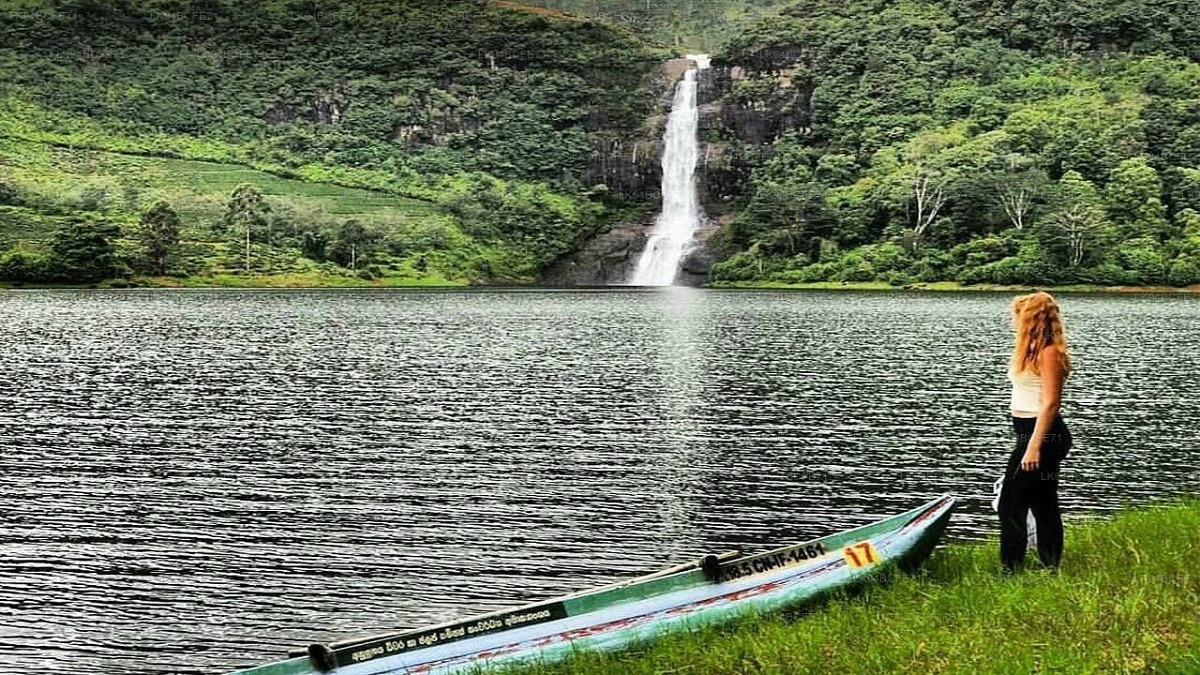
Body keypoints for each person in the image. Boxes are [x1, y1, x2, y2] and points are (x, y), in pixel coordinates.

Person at [998, 291, 1073, 573]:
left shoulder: (1049, 353)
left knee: (1010, 504)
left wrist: (1033, 447)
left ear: (1031, 319)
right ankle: (1050, 566)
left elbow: (1052, 402)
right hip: (1030, 432)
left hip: (1044, 436)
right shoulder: (1030, 351)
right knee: (1043, 501)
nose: (1012, 321)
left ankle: (1011, 571)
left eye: (1016, 316)